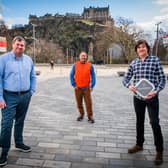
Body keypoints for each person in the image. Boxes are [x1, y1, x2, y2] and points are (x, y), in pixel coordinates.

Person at [123, 39, 166, 165]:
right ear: (136, 50)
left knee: (154, 123)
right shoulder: (134, 63)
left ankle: (159, 151)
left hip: (152, 98)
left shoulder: (155, 60)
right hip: (138, 98)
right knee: (139, 121)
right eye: (139, 47)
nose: (141, 49)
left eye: (143, 47)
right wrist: (129, 86)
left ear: (147, 48)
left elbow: (162, 79)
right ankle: (139, 144)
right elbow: (126, 78)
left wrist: (156, 91)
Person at [0, 36, 36, 166]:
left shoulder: (28, 59)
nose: (20, 47)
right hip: (9, 97)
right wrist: (0, 98)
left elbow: (33, 76)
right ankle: (4, 151)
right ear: (13, 45)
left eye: (22, 45)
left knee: (20, 121)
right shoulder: (3, 59)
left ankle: (19, 142)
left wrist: (31, 91)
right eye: (18, 45)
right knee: (6, 124)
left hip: (25, 96)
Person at [70, 51, 96, 123]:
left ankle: (90, 116)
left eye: (85, 56)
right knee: (79, 103)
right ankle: (81, 114)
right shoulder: (75, 65)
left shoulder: (90, 65)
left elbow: (93, 76)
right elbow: (71, 75)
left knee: (88, 103)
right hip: (77, 88)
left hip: (87, 88)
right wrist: (74, 84)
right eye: (82, 56)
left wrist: (92, 85)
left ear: (86, 57)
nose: (83, 57)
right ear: (79, 57)